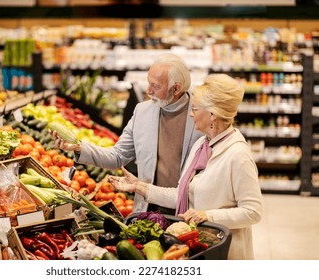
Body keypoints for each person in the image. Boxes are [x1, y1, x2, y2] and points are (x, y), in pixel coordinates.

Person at [107, 73, 263, 260]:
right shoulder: (202, 146)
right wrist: (139, 187)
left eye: (195, 109)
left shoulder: (237, 155)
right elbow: (181, 194)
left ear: (212, 114)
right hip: (199, 246)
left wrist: (208, 215)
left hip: (224, 252)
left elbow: (253, 212)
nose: (190, 114)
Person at [53, 53, 202, 215]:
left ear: (176, 88)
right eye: (148, 83)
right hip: (147, 208)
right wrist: (79, 148)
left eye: (155, 86)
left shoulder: (203, 114)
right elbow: (118, 156)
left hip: (188, 211)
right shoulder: (142, 112)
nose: (148, 91)